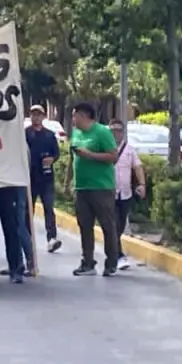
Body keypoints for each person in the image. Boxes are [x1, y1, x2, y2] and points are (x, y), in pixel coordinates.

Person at [69, 103, 120, 277]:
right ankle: (88, 262)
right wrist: (69, 180)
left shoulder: (102, 132)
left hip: (101, 188)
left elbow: (113, 156)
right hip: (82, 187)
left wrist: (89, 155)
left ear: (84, 116)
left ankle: (112, 262)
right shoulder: (76, 133)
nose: (73, 119)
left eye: (75, 116)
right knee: (85, 226)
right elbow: (72, 158)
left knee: (107, 225)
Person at [109, 120, 146, 270]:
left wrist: (142, 185)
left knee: (120, 225)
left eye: (118, 130)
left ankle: (113, 253)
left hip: (125, 194)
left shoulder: (129, 150)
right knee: (114, 225)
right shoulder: (104, 149)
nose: (115, 133)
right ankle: (118, 256)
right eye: (112, 130)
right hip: (109, 194)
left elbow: (137, 167)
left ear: (123, 132)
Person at [26, 106, 62, 254]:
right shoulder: (25, 134)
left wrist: (52, 159)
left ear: (43, 116)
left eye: (39, 115)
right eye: (34, 114)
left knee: (49, 208)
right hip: (30, 178)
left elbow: (57, 153)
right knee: (28, 210)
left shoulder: (49, 135)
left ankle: (51, 238)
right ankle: (27, 238)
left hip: (46, 178)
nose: (36, 117)